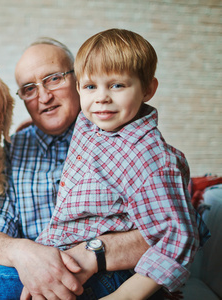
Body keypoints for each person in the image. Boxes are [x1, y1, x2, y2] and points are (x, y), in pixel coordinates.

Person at [0, 37, 152, 300]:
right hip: (34, 275)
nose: (44, 96)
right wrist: (26, 256)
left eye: (54, 78)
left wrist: (93, 252)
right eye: (29, 89)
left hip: (111, 276)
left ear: (78, 80)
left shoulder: (117, 132)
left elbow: (171, 228)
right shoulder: (14, 149)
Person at [36, 28, 202, 299]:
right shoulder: (91, 123)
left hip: (112, 279)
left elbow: (178, 236)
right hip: (67, 258)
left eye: (117, 85)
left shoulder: (150, 158)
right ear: (79, 89)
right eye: (91, 86)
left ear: (148, 89)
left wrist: (125, 296)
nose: (101, 97)